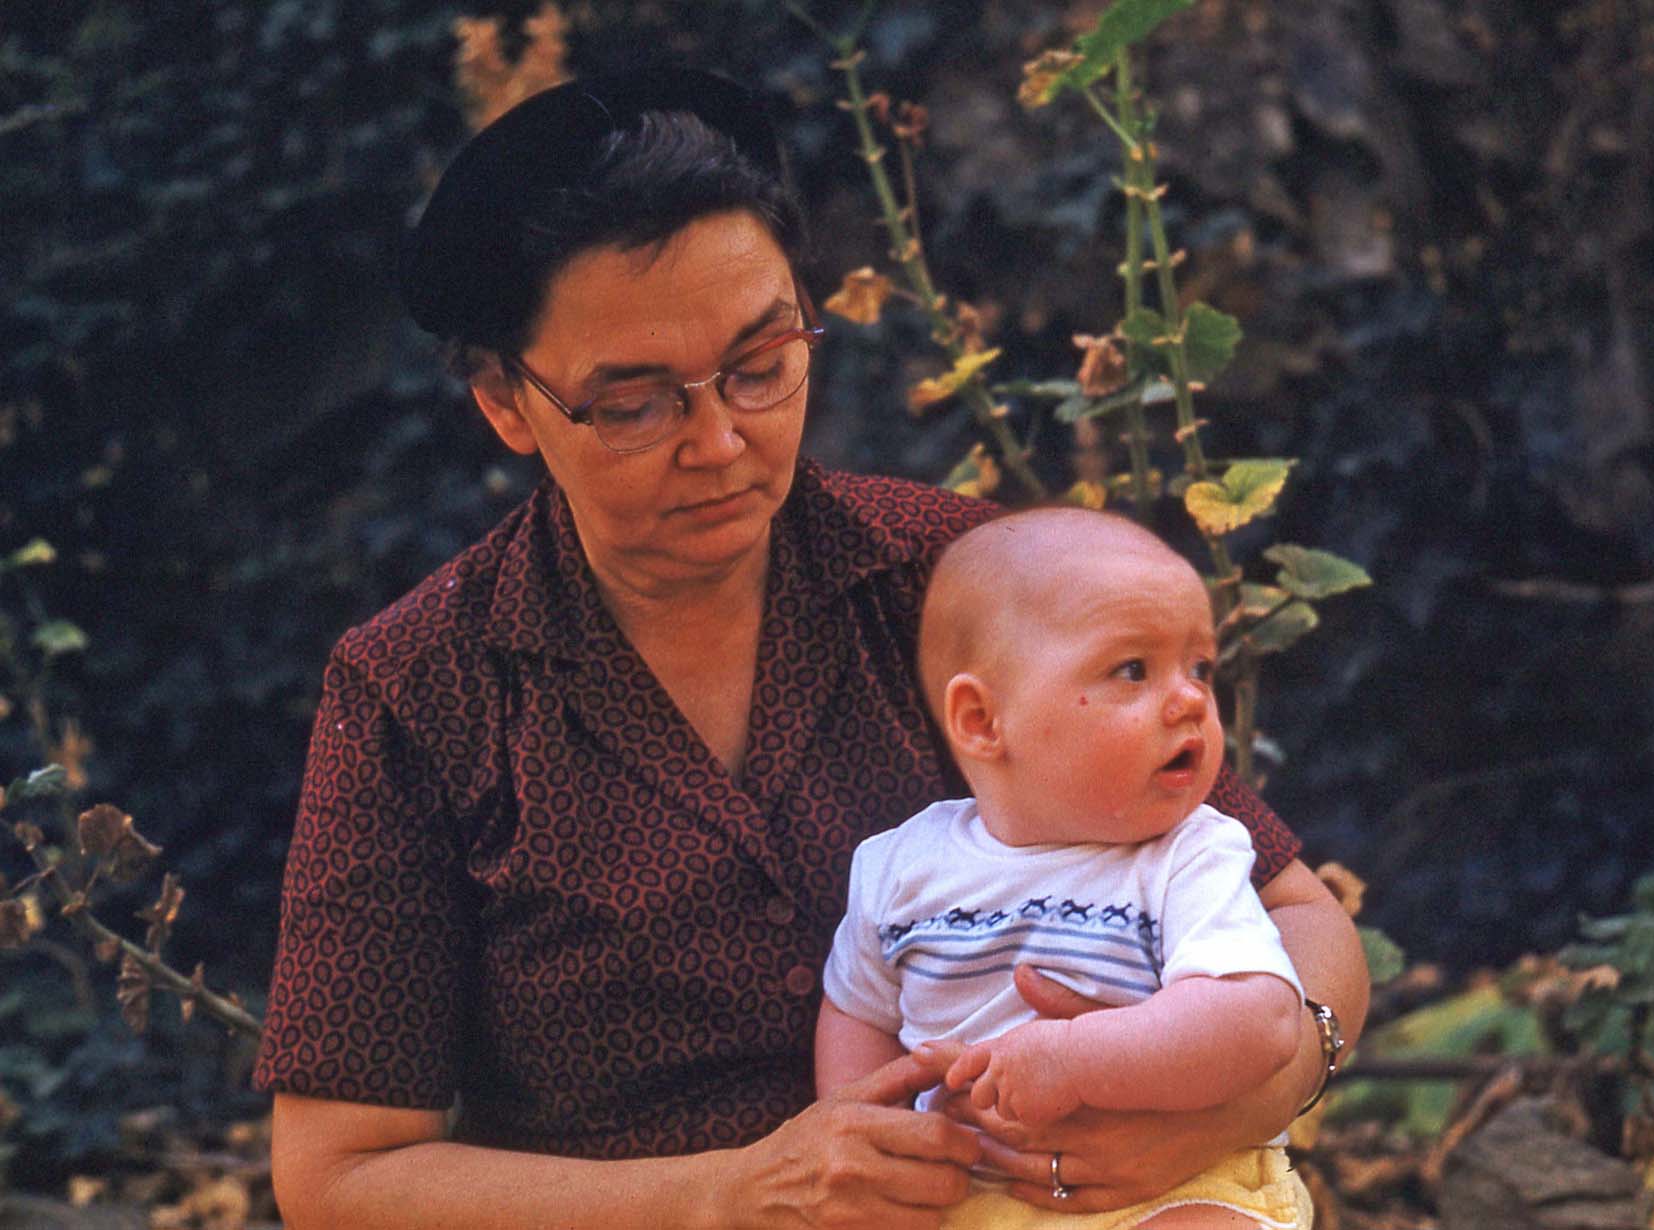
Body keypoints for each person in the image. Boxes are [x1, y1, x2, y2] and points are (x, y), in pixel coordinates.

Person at [255, 66, 1368, 1229]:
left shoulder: (959, 581)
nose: (720, 441)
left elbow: (1294, 912)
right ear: (505, 403)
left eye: (761, 365)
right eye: (634, 405)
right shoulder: (417, 692)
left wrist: (1253, 1094)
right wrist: (724, 1193)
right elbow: (339, 1176)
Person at [818, 508, 1314, 1229]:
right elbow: (856, 1011)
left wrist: (1076, 1058)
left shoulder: (1190, 854)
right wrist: (872, 1143)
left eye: (1200, 668)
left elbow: (1258, 1022)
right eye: (1132, 670)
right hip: (970, 1200)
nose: (1190, 699)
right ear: (983, 721)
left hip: (1171, 1188)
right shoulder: (898, 867)